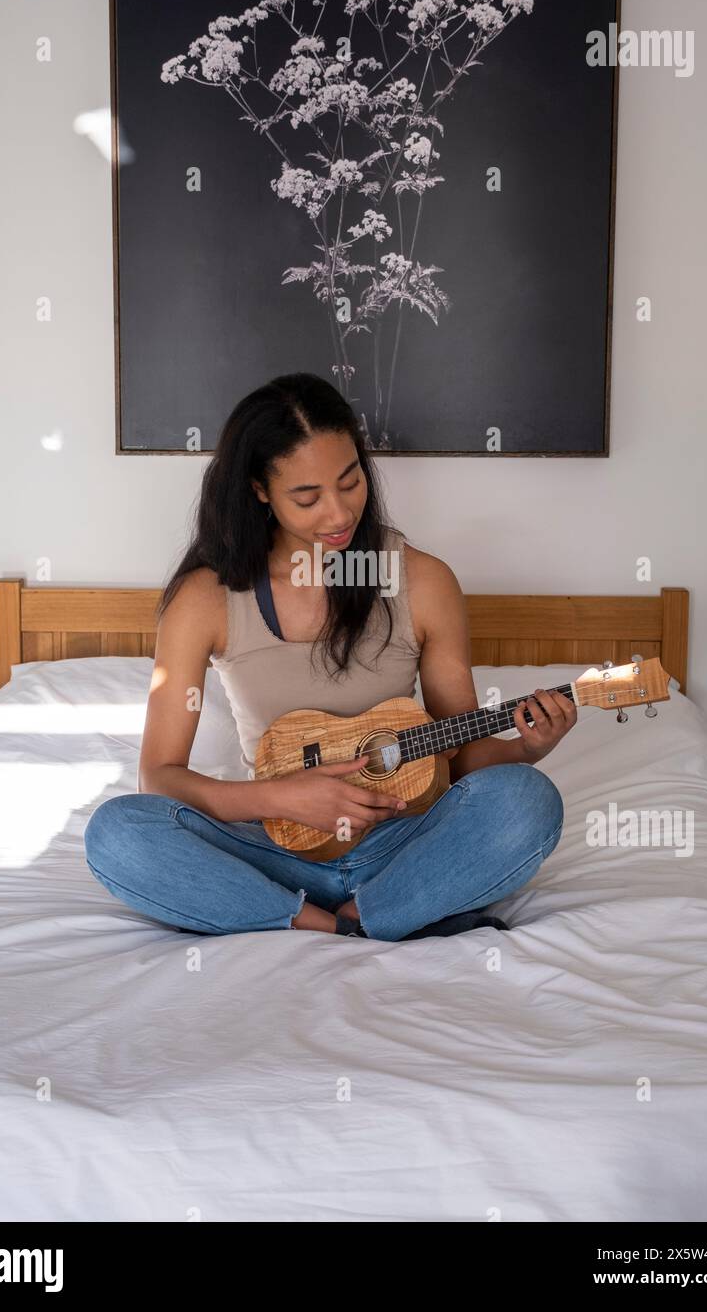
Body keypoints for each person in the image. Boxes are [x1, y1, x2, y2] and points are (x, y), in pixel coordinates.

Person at [84, 373, 575, 941]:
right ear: (260, 490)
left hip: (407, 841)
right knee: (116, 833)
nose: (340, 513)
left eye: (350, 482)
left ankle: (370, 908)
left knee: (526, 800)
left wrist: (528, 748)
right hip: (275, 849)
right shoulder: (206, 599)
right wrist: (280, 798)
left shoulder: (422, 580)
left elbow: (455, 756)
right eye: (308, 497)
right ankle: (328, 921)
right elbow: (159, 777)